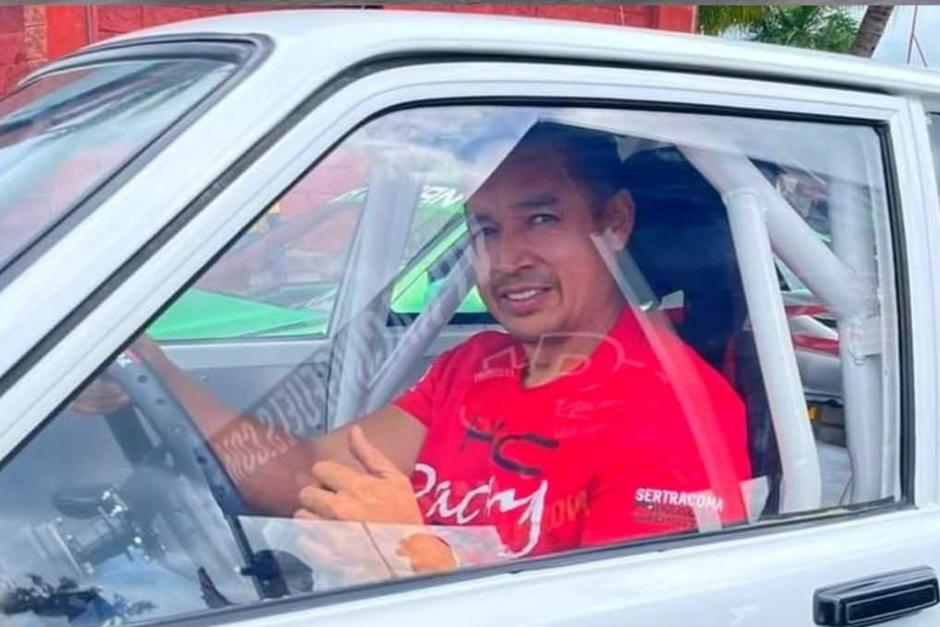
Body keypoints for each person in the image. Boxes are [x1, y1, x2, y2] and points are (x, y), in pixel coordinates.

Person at [76, 122, 751, 573]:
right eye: (484, 229)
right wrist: (155, 368)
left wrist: (414, 559)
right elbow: (303, 473)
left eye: (541, 219)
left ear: (615, 221)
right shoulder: (475, 363)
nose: (505, 258)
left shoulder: (676, 415)